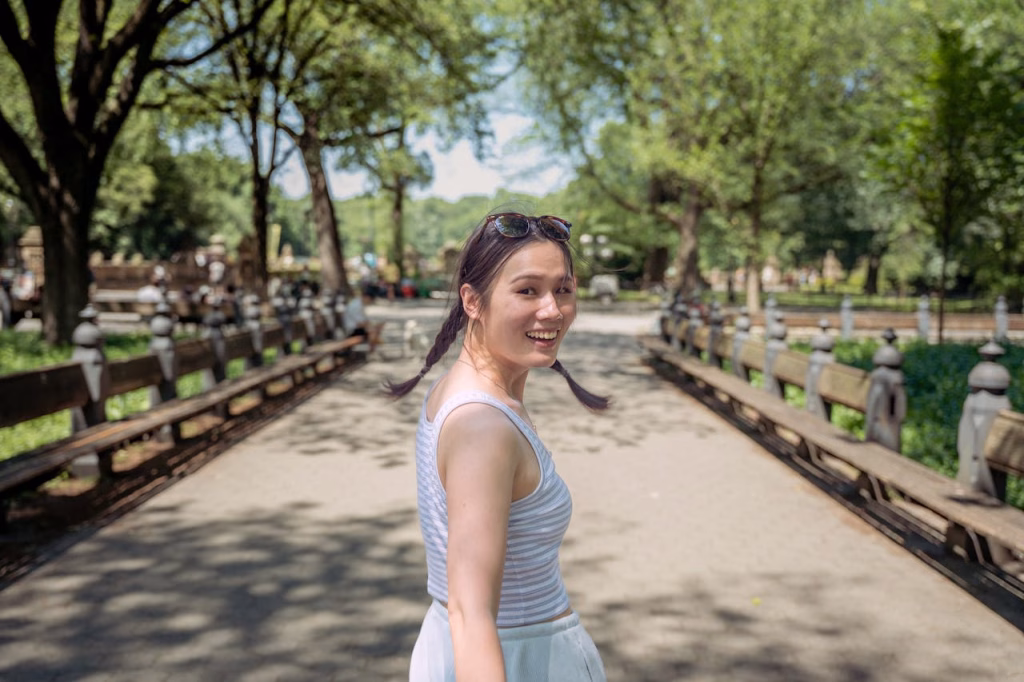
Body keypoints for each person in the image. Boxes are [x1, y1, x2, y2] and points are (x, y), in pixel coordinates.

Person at [388, 211, 610, 682]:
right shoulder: (483, 426)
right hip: (516, 658)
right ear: (473, 300)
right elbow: (471, 614)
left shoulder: (463, 393)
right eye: (527, 290)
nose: (552, 310)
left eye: (564, 289)